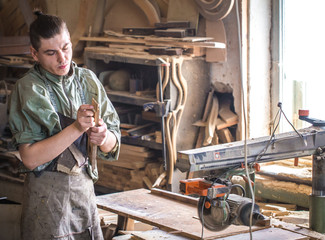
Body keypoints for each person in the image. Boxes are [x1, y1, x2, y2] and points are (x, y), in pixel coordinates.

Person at [9, 10, 120, 240]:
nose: (62, 59)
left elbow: (113, 144)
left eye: (66, 47)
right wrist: (76, 128)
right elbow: (30, 158)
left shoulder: (88, 80)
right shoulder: (29, 88)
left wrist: (103, 136)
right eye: (51, 52)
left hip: (84, 196)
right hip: (46, 202)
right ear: (34, 53)